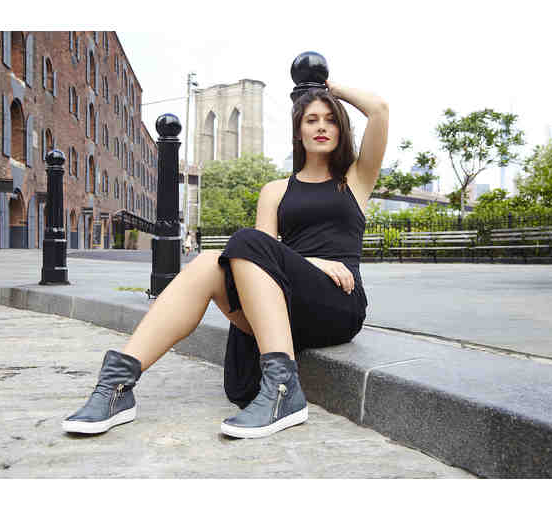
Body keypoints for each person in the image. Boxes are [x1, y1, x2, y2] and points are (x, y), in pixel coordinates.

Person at [62, 80, 389, 438]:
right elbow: (261, 262)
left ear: (341, 129)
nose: (322, 126)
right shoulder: (275, 191)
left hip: (338, 301)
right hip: (282, 306)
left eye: (331, 120)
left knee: (244, 242)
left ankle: (283, 392)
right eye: (311, 120)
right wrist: (312, 261)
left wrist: (331, 89)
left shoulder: (355, 179)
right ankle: (117, 385)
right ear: (298, 131)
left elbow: (379, 111)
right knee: (208, 262)